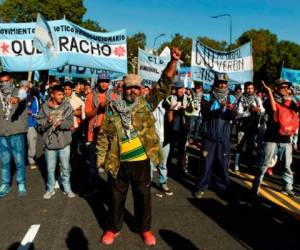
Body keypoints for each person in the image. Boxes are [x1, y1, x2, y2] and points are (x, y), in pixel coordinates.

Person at [97, 48, 181, 246]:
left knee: (143, 198)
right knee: (116, 199)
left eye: (136, 87)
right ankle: (112, 228)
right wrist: (101, 160)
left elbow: (163, 84)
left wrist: (173, 61)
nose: (132, 90)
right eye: (129, 88)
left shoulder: (146, 104)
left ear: (141, 89)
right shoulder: (113, 108)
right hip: (118, 162)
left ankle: (144, 229)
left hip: (142, 162)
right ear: (123, 89)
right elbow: (104, 137)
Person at [252, 79, 300, 197]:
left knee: (287, 166)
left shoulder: (291, 101)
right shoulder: (268, 100)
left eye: (287, 87)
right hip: (271, 138)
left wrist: (292, 100)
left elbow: (297, 111)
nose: (285, 89)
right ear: (276, 89)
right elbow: (274, 109)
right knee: (264, 164)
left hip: (286, 139)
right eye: (282, 87)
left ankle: (287, 187)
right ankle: (256, 185)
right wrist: (268, 91)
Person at [194, 73, 237, 199]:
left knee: (223, 165)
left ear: (227, 84)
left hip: (223, 138)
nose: (222, 85)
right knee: (206, 165)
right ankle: (201, 187)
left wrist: (230, 110)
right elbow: (205, 112)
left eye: (224, 83)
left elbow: (233, 116)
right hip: (209, 138)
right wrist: (219, 108)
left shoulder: (231, 98)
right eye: (220, 83)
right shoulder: (207, 95)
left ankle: (222, 187)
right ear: (216, 83)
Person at [37, 85, 75, 199]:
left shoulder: (67, 106)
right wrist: (48, 121)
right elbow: (39, 125)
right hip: (50, 144)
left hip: (64, 143)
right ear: (52, 95)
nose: (62, 96)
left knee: (65, 167)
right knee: (50, 169)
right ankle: (50, 188)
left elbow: (70, 123)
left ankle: (67, 188)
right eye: (59, 94)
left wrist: (61, 124)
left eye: (63, 94)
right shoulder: (44, 107)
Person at [0, 72, 28, 197]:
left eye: (6, 81)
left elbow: (24, 94)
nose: (4, 84)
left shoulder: (19, 91)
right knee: (5, 162)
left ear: (11, 80)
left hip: (16, 132)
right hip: (2, 134)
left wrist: (17, 98)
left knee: (19, 161)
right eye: (1, 82)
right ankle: (5, 184)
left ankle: (21, 184)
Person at [234, 81, 265, 172]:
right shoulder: (241, 99)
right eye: (248, 88)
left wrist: (258, 110)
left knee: (250, 147)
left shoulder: (257, 98)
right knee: (239, 146)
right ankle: (236, 164)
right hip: (243, 127)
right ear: (245, 89)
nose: (249, 90)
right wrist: (249, 111)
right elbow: (238, 113)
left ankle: (249, 165)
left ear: (253, 88)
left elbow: (263, 110)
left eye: (251, 88)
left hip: (253, 127)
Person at [27, 84, 40, 169]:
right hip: (22, 124)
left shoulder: (36, 98)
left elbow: (38, 111)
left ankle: (31, 159)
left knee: (32, 143)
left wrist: (32, 113)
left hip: (32, 123)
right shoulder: (22, 97)